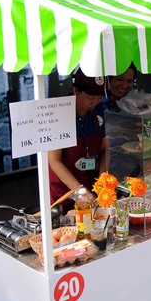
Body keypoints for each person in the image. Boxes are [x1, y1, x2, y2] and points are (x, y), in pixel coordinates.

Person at [48, 69, 109, 203]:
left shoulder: (99, 112)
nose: (95, 102)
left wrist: (102, 180)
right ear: (76, 91)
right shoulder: (59, 115)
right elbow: (54, 161)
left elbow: (105, 149)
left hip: (91, 186)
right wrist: (81, 192)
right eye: (90, 98)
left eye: (99, 98)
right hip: (64, 191)